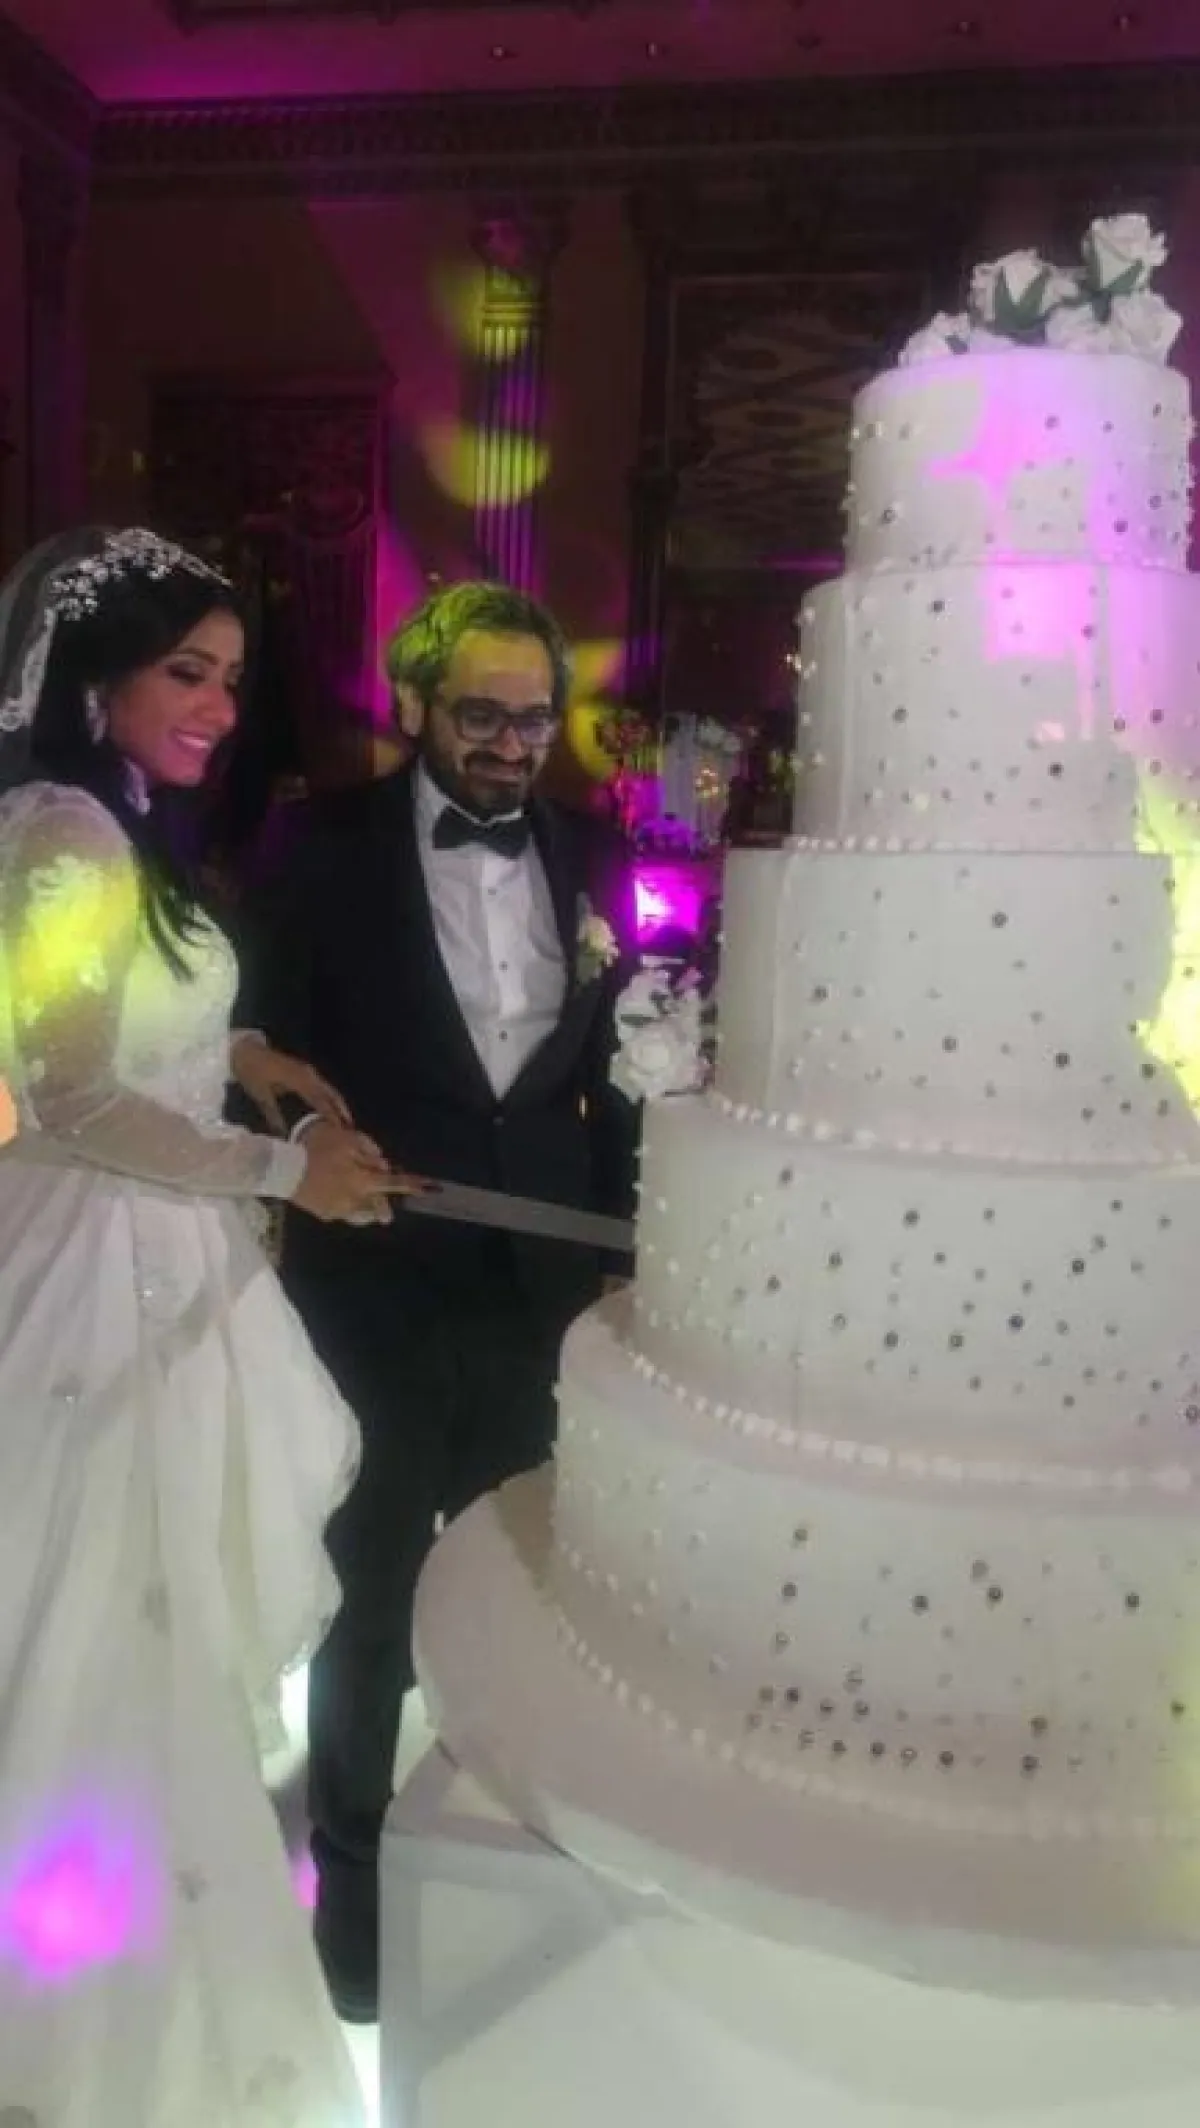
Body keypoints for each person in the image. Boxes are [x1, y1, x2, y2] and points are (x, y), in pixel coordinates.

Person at [0, 527, 402, 2127]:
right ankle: (83, 2025)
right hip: (99, 1286)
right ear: (94, 677)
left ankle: (139, 1980)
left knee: (151, 1650)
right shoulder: (60, 831)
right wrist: (288, 1170)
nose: (223, 710)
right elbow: (68, 1093)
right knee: (102, 1643)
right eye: (189, 673)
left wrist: (241, 1055)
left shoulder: (115, 826)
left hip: (166, 1259)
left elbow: (130, 1025)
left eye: (233, 680)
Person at [243, 579, 637, 2023]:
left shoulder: (594, 851)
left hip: (540, 1286)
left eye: (536, 718)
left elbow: (621, 1068)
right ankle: (353, 1913)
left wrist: (627, 1234)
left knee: (523, 1586)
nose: (513, 744)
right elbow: (252, 1039)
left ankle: (502, 1875)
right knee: (371, 1595)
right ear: (415, 702)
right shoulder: (321, 842)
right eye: (483, 713)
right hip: (377, 1278)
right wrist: (303, 1142)